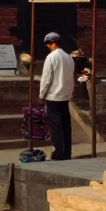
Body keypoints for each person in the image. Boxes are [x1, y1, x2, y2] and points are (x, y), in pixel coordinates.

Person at [38, 31, 74, 161]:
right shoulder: (68, 57)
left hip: (53, 96)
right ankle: (66, 152)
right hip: (65, 95)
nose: (47, 46)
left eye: (48, 44)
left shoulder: (51, 57)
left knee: (56, 126)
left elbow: (46, 78)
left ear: (53, 43)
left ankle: (59, 152)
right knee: (65, 126)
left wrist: (42, 94)